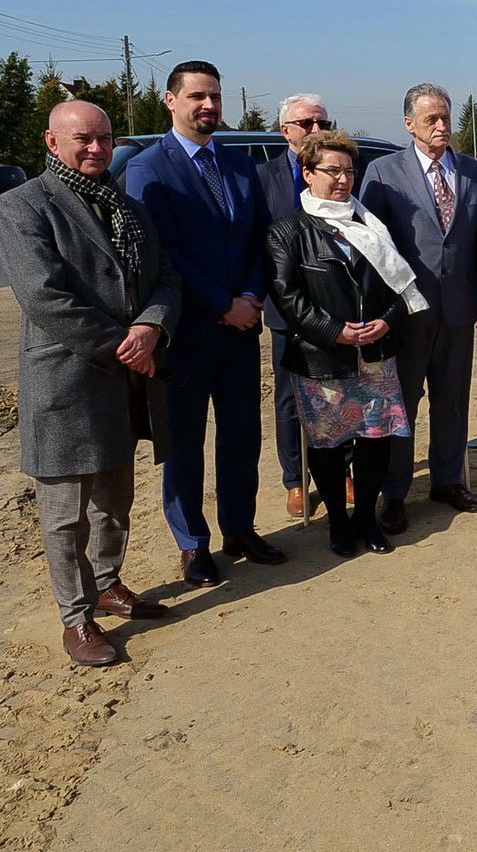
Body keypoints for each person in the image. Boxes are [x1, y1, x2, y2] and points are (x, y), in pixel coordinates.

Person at [0, 102, 180, 665]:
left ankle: (107, 582)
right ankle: (76, 617)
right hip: (68, 378)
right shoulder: (23, 204)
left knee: (115, 496)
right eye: (83, 138)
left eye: (104, 137)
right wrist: (125, 346)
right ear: (52, 142)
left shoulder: (126, 205)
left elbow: (165, 276)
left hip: (127, 377)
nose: (97, 148)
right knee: (65, 510)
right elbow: (44, 297)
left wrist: (152, 326)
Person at [125, 60, 284, 587]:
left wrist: (251, 296)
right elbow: (163, 255)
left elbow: (260, 239)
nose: (209, 105)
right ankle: (192, 543)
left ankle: (239, 528)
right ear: (171, 101)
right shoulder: (149, 169)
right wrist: (222, 304)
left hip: (240, 332)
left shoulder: (238, 163)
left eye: (214, 95)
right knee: (184, 445)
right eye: (197, 96)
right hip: (185, 335)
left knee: (241, 434)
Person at [267, 131, 427, 557]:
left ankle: (366, 518)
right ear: (307, 174)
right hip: (322, 359)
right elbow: (287, 297)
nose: (342, 180)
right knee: (328, 445)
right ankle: (338, 520)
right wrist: (335, 330)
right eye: (332, 171)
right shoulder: (287, 232)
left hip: (375, 354)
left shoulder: (372, 226)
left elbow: (400, 286)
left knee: (375, 440)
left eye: (349, 171)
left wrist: (387, 321)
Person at [358, 83, 477, 534]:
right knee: (403, 404)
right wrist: (382, 310)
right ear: (409, 124)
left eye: (445, 118)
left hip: (459, 309)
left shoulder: (473, 172)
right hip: (406, 314)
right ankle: (396, 493)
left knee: (452, 400)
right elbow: (371, 246)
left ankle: (447, 480)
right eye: (430, 119)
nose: (441, 126)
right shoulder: (383, 172)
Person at [258, 93, 339, 518]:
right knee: (290, 399)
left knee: (337, 394)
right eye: (306, 123)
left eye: (323, 122)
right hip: (286, 308)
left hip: (335, 308)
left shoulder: (341, 172)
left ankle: (340, 471)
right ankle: (295, 479)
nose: (316, 130)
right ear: (285, 130)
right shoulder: (262, 178)